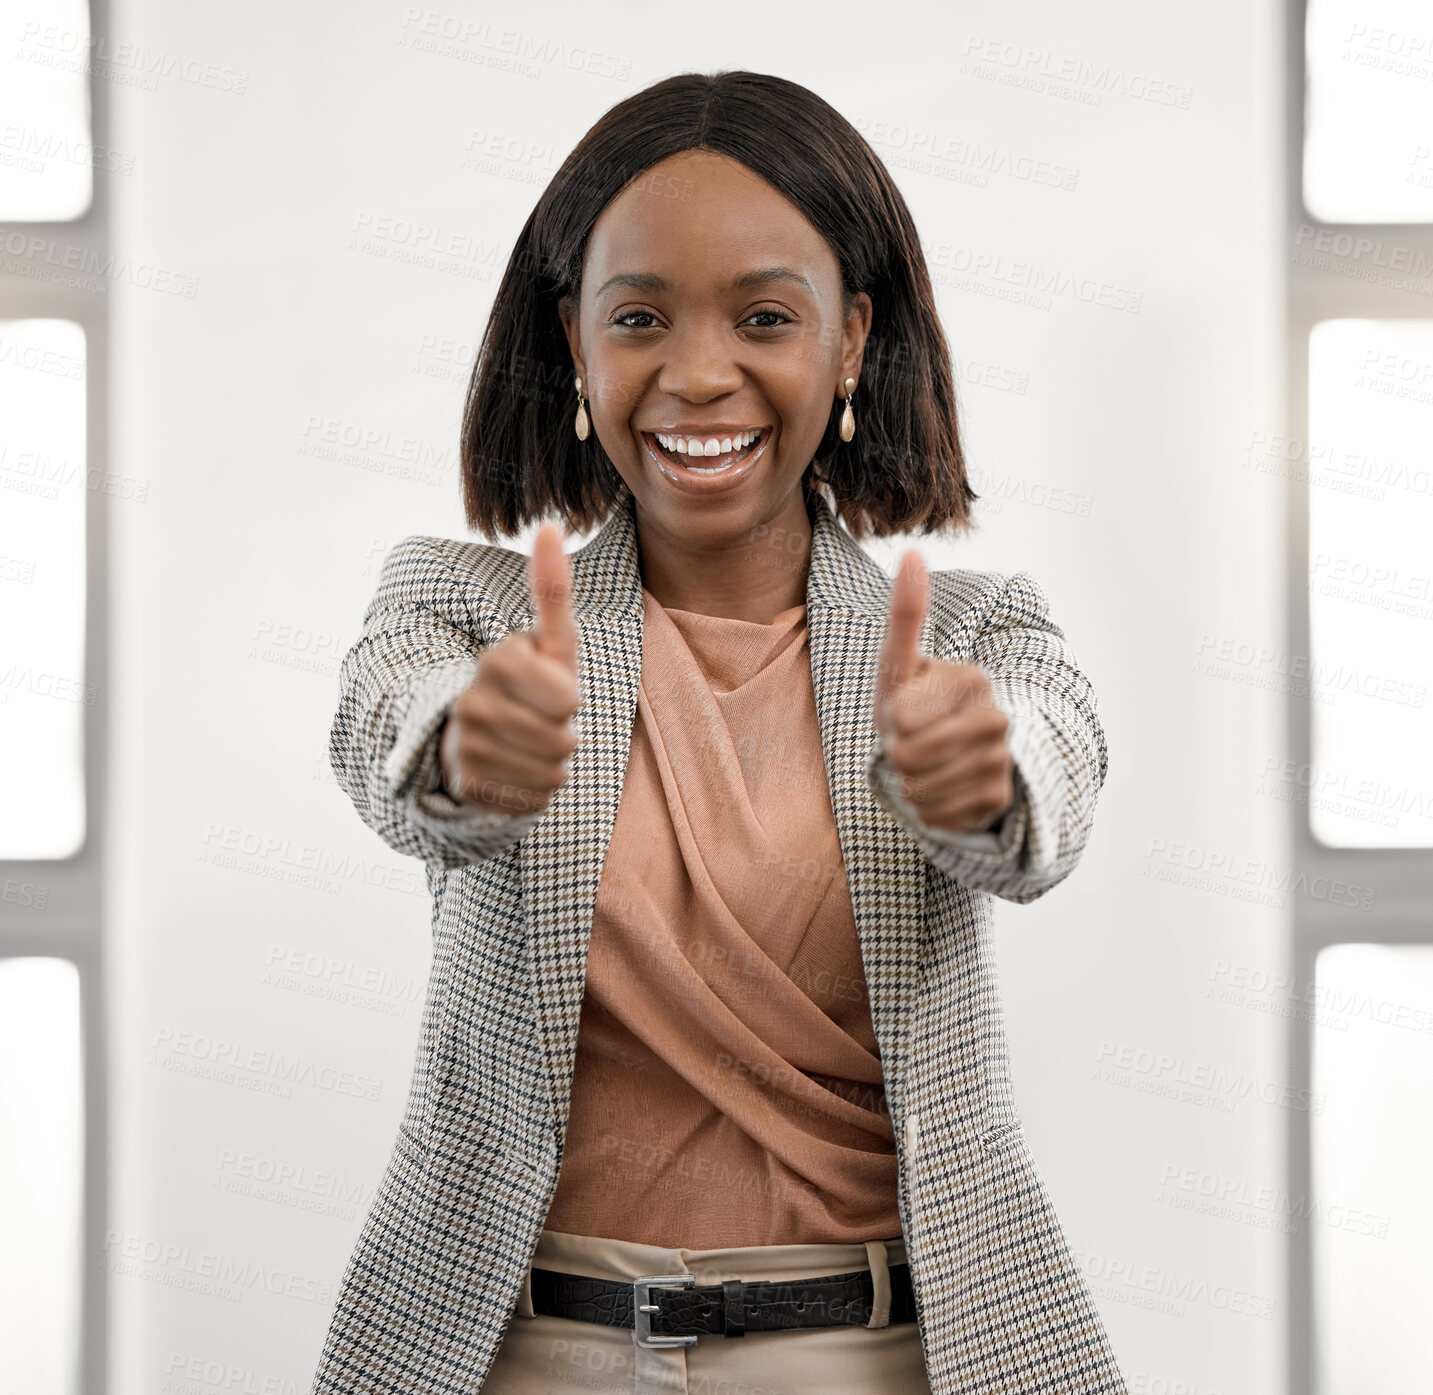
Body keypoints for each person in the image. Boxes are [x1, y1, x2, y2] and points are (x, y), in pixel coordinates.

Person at [311, 70, 1126, 1395]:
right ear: (570, 340)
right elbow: (385, 734)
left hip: (867, 1359)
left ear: (851, 339)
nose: (697, 373)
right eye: (638, 318)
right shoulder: (461, 605)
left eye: (762, 316)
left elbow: (1049, 783)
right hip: (529, 1355)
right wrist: (463, 754)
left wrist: (988, 776)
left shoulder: (970, 635)